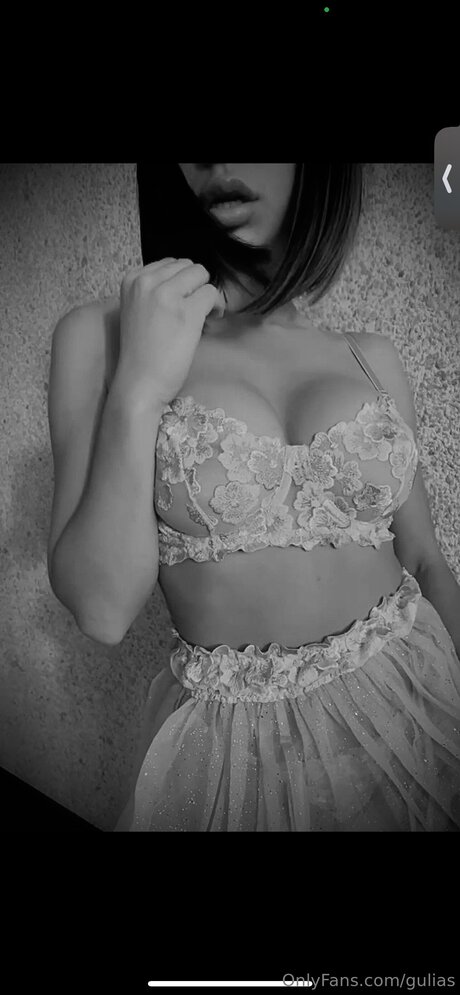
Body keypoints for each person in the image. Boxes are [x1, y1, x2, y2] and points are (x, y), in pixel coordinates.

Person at [47, 164, 460, 832]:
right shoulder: (101, 338)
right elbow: (102, 610)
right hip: (241, 765)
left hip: (418, 701)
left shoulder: (369, 355)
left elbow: (424, 558)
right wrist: (140, 388)